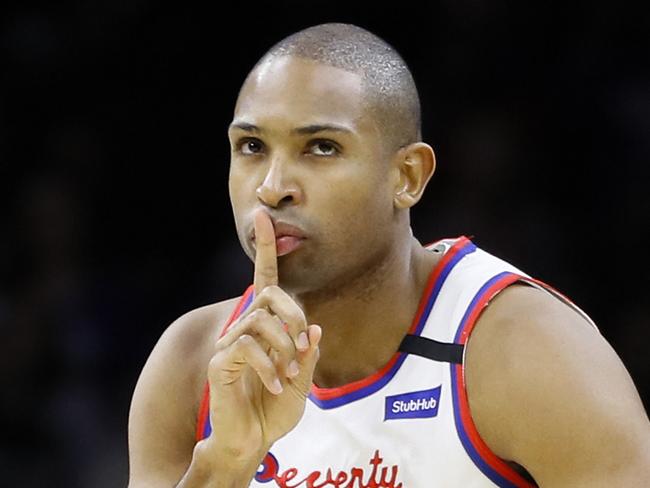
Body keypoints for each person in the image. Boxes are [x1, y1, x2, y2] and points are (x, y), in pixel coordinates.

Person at [127, 23, 650, 487]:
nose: (272, 187)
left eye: (322, 147)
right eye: (252, 148)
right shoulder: (192, 363)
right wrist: (226, 464)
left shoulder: (525, 351)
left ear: (408, 177)